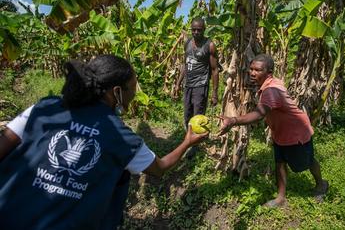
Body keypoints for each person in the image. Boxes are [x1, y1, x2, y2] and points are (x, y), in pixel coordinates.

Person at [0, 54, 208, 229]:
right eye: (133, 88)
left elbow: (3, 146)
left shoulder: (43, 107)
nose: (135, 94)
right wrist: (187, 142)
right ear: (117, 92)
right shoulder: (120, 136)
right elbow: (159, 168)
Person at [217, 54, 329, 207]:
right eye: (251, 69)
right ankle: (281, 198)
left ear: (269, 72)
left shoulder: (271, 91)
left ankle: (321, 184)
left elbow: (259, 114)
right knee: (280, 162)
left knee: (308, 161)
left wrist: (233, 120)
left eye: (258, 70)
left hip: (296, 132)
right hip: (281, 131)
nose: (252, 73)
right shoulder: (270, 83)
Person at [174, 17, 218, 158]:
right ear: (191, 29)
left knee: (197, 116)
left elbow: (215, 69)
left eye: (199, 30)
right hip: (189, 85)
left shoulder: (209, 45)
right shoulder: (187, 43)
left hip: (201, 84)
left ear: (204, 29)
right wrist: (178, 83)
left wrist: (215, 93)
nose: (196, 32)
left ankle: (195, 146)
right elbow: (185, 64)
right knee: (187, 115)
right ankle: (190, 140)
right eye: (194, 29)